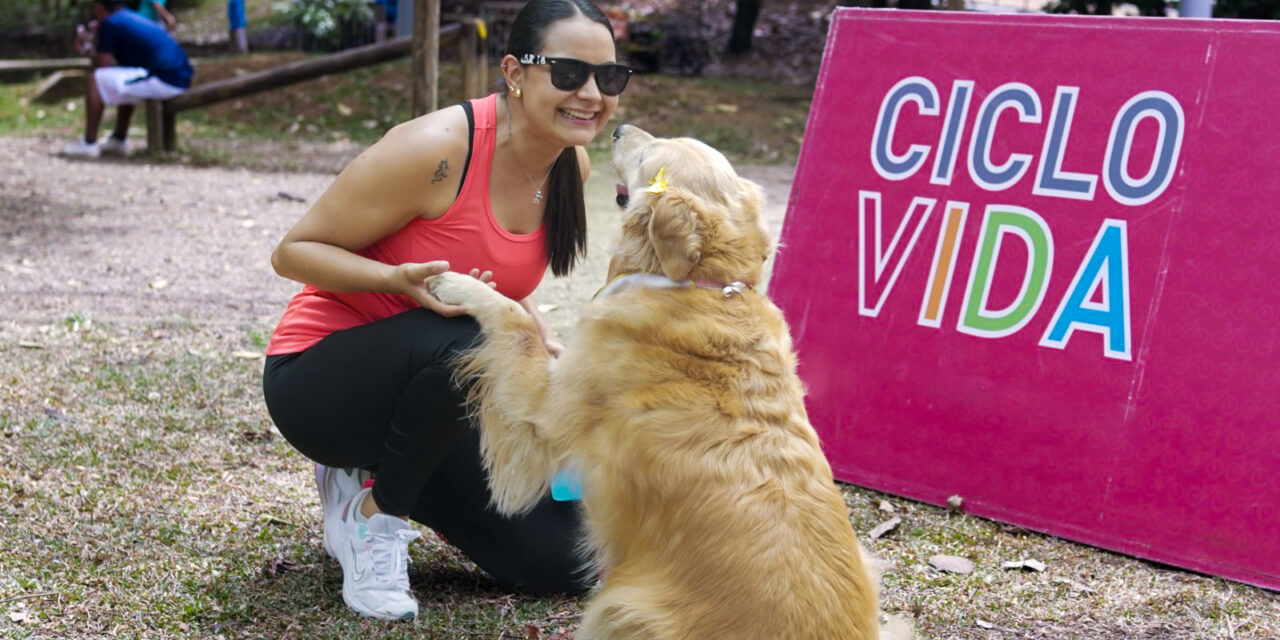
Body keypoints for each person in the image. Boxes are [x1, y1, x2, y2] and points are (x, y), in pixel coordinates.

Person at [262, 0, 634, 621]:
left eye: (610, 77)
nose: (592, 93)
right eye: (569, 73)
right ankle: (375, 520)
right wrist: (394, 280)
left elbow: (501, 282)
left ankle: (374, 477)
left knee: (565, 559)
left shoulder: (571, 162)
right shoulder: (435, 150)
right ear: (514, 72)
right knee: (469, 338)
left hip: (442, 392)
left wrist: (539, 334)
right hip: (322, 384)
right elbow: (292, 252)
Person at [60, 0, 193, 158]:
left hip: (165, 78)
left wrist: (89, 47)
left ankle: (89, 143)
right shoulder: (130, 18)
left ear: (99, 6)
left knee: (94, 80)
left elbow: (102, 66)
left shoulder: (110, 22)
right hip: (178, 76)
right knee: (125, 80)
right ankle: (118, 139)